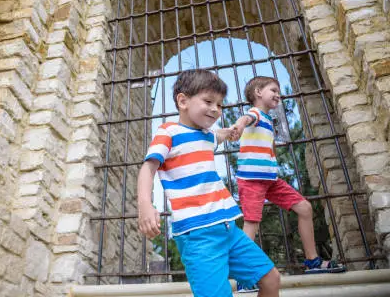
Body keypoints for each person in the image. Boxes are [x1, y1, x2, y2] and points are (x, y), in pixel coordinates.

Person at [137, 69, 281, 297]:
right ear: (183, 101)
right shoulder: (169, 131)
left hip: (228, 229)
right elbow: (148, 167)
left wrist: (233, 131)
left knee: (271, 278)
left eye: (220, 104)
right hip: (198, 236)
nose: (215, 109)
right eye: (208, 101)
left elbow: (220, 135)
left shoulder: (208, 134)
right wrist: (145, 205)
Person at [232, 76, 346, 274]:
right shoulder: (256, 113)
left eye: (278, 91)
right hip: (251, 179)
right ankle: (243, 274)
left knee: (304, 208)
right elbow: (246, 118)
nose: (278, 94)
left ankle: (313, 261)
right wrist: (240, 125)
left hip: (270, 180)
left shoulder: (268, 120)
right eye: (273, 90)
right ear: (258, 92)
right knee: (252, 223)